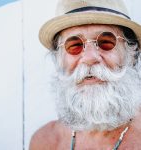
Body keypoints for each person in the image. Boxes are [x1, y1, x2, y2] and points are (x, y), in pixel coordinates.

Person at [29, 0, 141, 149]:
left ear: (131, 55)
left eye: (106, 42)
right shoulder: (45, 142)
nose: (89, 58)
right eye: (74, 45)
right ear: (59, 60)